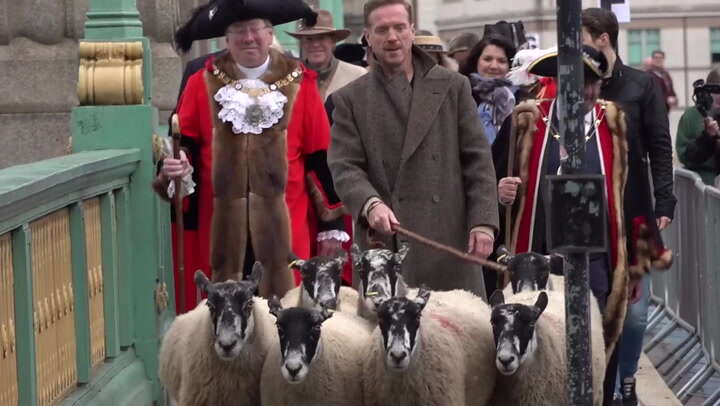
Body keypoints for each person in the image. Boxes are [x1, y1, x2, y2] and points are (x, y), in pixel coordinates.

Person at [154, 0, 348, 311]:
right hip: (219, 233)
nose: (249, 38)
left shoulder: (301, 84)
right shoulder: (199, 83)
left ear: (270, 34)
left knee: (280, 323)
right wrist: (176, 168)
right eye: (238, 31)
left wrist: (331, 227)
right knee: (225, 325)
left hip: (284, 233)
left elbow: (320, 160)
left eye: (256, 29)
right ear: (226, 39)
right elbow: (182, 145)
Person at [328, 0, 499, 297]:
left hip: (450, 241)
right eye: (382, 29)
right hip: (386, 247)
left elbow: (478, 161)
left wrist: (484, 222)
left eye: (399, 27)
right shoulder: (349, 99)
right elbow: (344, 167)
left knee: (460, 336)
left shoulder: (453, 86)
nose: (392, 37)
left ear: (412, 31)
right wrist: (370, 203)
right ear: (367, 36)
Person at [492, 46, 628, 406]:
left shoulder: (614, 123)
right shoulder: (525, 120)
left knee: (599, 336)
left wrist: (640, 262)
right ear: (556, 81)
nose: (581, 90)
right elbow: (489, 177)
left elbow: (633, 194)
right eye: (573, 81)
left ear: (599, 85)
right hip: (536, 251)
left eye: (589, 83)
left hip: (595, 253)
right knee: (534, 333)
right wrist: (500, 191)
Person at [581, 8, 676, 405]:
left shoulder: (643, 84)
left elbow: (659, 144)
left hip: (634, 209)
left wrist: (665, 199)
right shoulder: (576, 83)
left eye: (581, 36)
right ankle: (602, 386)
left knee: (635, 314)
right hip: (587, 214)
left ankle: (627, 382)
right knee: (597, 308)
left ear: (603, 38)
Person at [288, 9, 367, 102]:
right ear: (302, 43)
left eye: (321, 38)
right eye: (309, 39)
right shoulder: (288, 78)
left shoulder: (357, 76)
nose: (315, 44)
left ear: (333, 41)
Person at [459, 35, 517, 145]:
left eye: (501, 61)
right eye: (487, 59)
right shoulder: (462, 95)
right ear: (476, 61)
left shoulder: (521, 99)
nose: (494, 66)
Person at [676, 67, 720, 185]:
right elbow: (684, 155)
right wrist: (707, 137)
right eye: (716, 91)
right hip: (704, 183)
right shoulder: (693, 115)